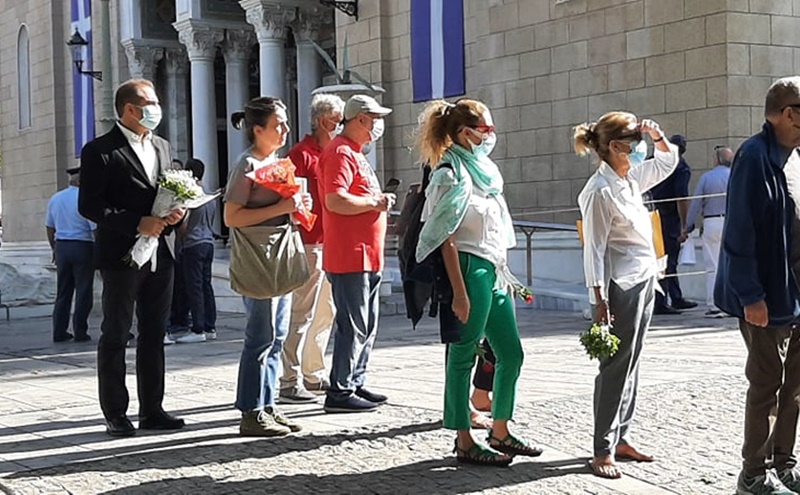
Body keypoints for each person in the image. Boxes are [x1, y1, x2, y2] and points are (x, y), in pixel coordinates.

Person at [416, 98, 541, 467]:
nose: (491, 135)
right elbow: (444, 236)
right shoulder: (449, 173)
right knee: (464, 352)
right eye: (485, 129)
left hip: (492, 266)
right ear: (464, 133)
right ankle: (463, 437)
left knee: (511, 353)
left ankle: (500, 429)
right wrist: (458, 291)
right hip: (469, 268)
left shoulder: (484, 171)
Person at [78, 79, 186, 437]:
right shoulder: (101, 150)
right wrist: (134, 222)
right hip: (122, 255)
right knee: (116, 332)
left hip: (161, 253)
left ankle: (152, 409)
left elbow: (169, 189)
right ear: (129, 109)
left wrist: (176, 213)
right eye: (150, 103)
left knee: (155, 332)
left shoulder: (162, 145)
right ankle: (115, 412)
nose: (157, 109)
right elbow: (90, 205)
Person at [575, 112, 679, 479]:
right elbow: (595, 249)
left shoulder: (628, 178)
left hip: (646, 276)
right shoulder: (599, 190)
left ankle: (622, 435)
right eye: (634, 143)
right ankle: (602, 448)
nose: (639, 149)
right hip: (619, 284)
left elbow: (667, 162)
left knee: (632, 362)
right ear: (616, 147)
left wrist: (658, 137)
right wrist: (598, 298)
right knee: (616, 365)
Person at [716, 77, 800, 495]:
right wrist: (751, 295)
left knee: (797, 386)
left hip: (798, 290)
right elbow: (739, 233)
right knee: (767, 384)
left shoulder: (796, 156)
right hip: (769, 295)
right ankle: (753, 472)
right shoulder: (754, 156)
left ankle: (786, 462)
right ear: (789, 113)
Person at [225, 96, 311, 436]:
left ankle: (269, 405)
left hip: (279, 254)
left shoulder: (277, 161)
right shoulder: (246, 165)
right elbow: (232, 216)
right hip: (258, 258)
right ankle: (250, 410)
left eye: (286, 122)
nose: (286, 130)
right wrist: (283, 206)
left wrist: (296, 207)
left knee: (276, 337)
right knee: (259, 337)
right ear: (257, 130)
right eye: (279, 125)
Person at [319, 94, 394, 413]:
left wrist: (376, 201)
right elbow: (335, 200)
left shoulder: (354, 153)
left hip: (366, 255)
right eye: (374, 119)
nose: (377, 126)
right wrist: (375, 203)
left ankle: (354, 381)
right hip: (351, 255)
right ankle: (340, 391)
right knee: (354, 323)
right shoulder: (340, 152)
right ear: (361, 119)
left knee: (366, 322)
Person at [278, 93, 344, 403]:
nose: (341, 125)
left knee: (326, 312)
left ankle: (313, 372)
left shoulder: (334, 152)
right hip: (309, 242)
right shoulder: (301, 154)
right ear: (322, 121)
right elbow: (295, 201)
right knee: (301, 312)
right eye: (338, 119)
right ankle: (289, 378)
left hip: (331, 242)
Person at [45, 166, 96, 343]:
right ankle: (80, 330)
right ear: (81, 181)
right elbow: (94, 228)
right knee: (83, 290)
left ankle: (59, 331)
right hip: (82, 246)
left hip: (62, 247)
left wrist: (54, 248)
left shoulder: (56, 198)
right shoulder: (85, 198)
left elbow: (50, 227)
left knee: (63, 291)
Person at [681, 146, 732, 318]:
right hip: (731, 223)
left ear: (716, 159)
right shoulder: (735, 176)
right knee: (731, 264)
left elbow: (696, 204)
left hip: (711, 222)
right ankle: (731, 302)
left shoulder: (707, 177)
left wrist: (687, 226)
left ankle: (714, 303)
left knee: (712, 265)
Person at [648, 135, 696, 314]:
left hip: (650, 214)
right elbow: (681, 198)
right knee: (669, 259)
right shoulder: (681, 167)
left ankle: (674, 297)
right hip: (668, 217)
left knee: (659, 258)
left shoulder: (653, 161)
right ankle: (662, 301)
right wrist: (685, 224)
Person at [174, 158, 217, 343]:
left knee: (195, 287)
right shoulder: (209, 197)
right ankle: (210, 325)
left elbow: (184, 226)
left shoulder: (189, 197)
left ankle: (198, 328)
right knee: (206, 285)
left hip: (193, 243)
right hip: (208, 242)